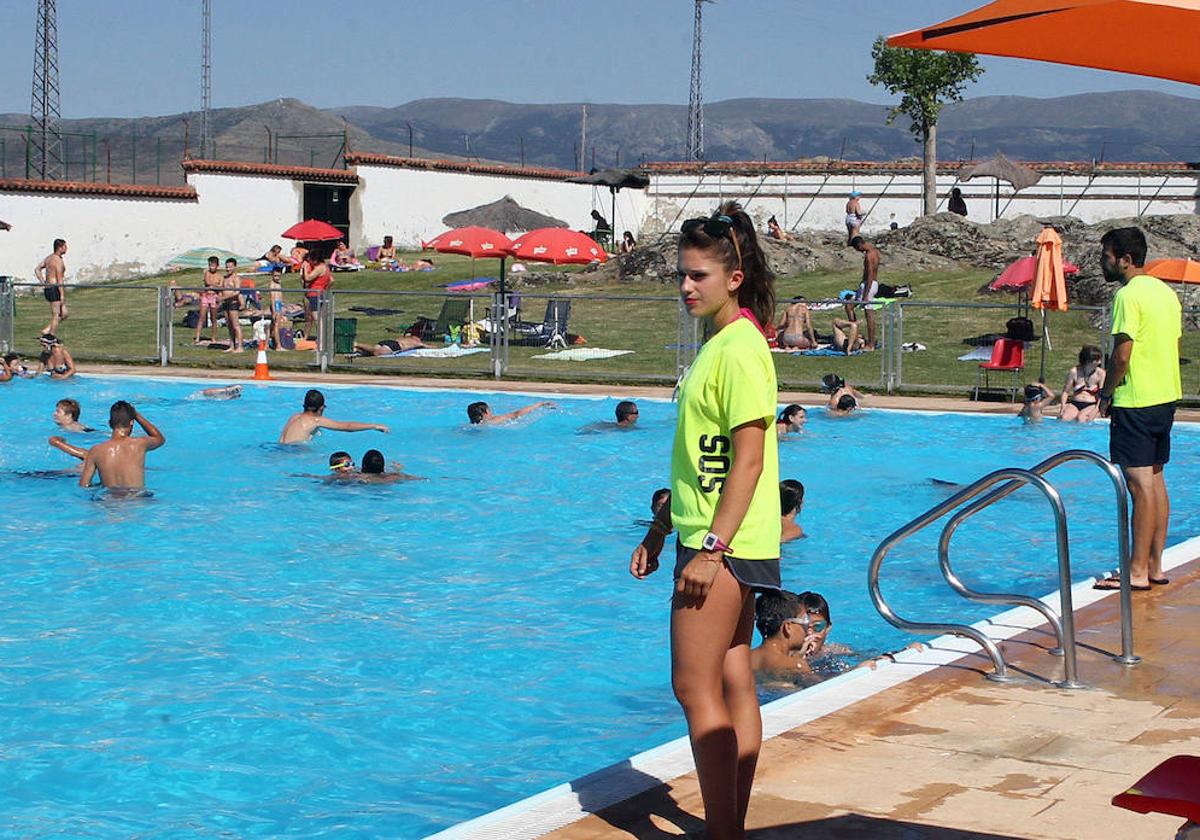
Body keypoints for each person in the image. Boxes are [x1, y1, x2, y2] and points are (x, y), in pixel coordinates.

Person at [629, 201, 780, 839]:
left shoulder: (740, 348)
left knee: (694, 688)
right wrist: (662, 528)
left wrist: (711, 548)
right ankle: (730, 824)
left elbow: (747, 461)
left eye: (699, 277)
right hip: (719, 538)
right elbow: (703, 458)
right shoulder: (723, 345)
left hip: (723, 545)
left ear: (733, 278)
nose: (687, 288)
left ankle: (723, 831)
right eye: (681, 276)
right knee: (733, 676)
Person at [1095, 227, 1182, 592]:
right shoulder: (1166, 293)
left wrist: (1106, 392)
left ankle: (1135, 572)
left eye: (1106, 256)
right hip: (1165, 396)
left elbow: (1122, 355)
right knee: (1157, 481)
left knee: (1139, 486)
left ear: (1125, 260)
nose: (1103, 261)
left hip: (1137, 399)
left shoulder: (1128, 296)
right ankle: (1155, 565)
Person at [79, 401, 165, 490]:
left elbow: (83, 485)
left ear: (109, 423)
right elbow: (160, 439)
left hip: (108, 499)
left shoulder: (96, 450)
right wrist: (136, 415)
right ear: (132, 422)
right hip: (137, 498)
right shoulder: (139, 444)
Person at [749, 590, 829, 675]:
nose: (807, 631)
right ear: (788, 627)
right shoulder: (796, 666)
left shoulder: (744, 658)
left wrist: (797, 656)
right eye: (805, 622)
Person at [279, 389, 389, 444]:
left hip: (279, 449)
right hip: (294, 452)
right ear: (321, 408)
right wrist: (374, 426)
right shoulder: (315, 420)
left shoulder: (294, 417)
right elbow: (348, 427)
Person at [1059, 345, 1105, 423]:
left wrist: (1096, 409)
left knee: (1081, 419)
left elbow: (1102, 394)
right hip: (1075, 403)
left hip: (1091, 404)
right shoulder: (1074, 371)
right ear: (1088, 361)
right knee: (1064, 418)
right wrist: (1063, 407)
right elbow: (1065, 392)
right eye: (1097, 360)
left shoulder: (1100, 373)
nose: (1100, 362)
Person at [849, 236, 880, 349]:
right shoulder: (875, 251)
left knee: (869, 313)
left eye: (857, 249)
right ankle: (855, 335)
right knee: (849, 307)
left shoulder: (869, 255)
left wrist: (866, 294)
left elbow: (870, 275)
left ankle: (871, 343)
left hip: (869, 285)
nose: (858, 251)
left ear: (859, 245)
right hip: (867, 285)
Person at [35, 238, 69, 336]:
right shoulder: (57, 260)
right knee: (56, 314)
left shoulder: (49, 258)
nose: (66, 249)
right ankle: (51, 337)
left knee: (65, 313)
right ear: (60, 247)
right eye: (65, 246)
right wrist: (62, 295)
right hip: (54, 288)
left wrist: (43, 282)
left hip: (49, 288)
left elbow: (37, 269)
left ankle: (47, 330)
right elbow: (59, 279)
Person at [302, 249, 332, 334]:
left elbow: (307, 278)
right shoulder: (326, 267)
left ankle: (321, 342)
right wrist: (325, 288)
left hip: (314, 294)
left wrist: (304, 268)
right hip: (321, 293)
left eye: (310, 260)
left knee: (316, 319)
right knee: (320, 318)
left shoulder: (319, 268)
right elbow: (331, 280)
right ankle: (322, 339)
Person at [195, 256, 223, 344]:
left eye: (213, 265)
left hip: (214, 297)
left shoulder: (220, 276)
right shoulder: (207, 273)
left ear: (217, 266)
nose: (211, 267)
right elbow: (207, 282)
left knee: (213, 318)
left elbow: (221, 287)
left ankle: (213, 337)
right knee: (202, 317)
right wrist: (215, 285)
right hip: (206, 296)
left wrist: (214, 286)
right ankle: (197, 336)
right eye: (210, 265)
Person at [220, 258, 245, 353]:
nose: (228, 269)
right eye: (227, 267)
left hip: (233, 303)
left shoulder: (236, 278)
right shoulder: (225, 278)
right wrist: (220, 297)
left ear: (234, 267)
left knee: (236, 325)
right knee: (229, 325)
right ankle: (232, 345)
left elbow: (237, 292)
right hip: (226, 303)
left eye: (230, 267)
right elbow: (222, 289)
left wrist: (224, 297)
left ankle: (240, 347)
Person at [466, 399, 555, 425]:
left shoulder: (470, 425)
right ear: (485, 413)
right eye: (489, 410)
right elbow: (517, 414)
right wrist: (540, 404)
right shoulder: (494, 420)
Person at [352, 337, 426, 356]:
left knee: (374, 350)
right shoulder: (417, 342)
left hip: (389, 342)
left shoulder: (406, 338)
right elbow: (429, 347)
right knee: (376, 353)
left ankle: (358, 350)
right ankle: (357, 344)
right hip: (395, 346)